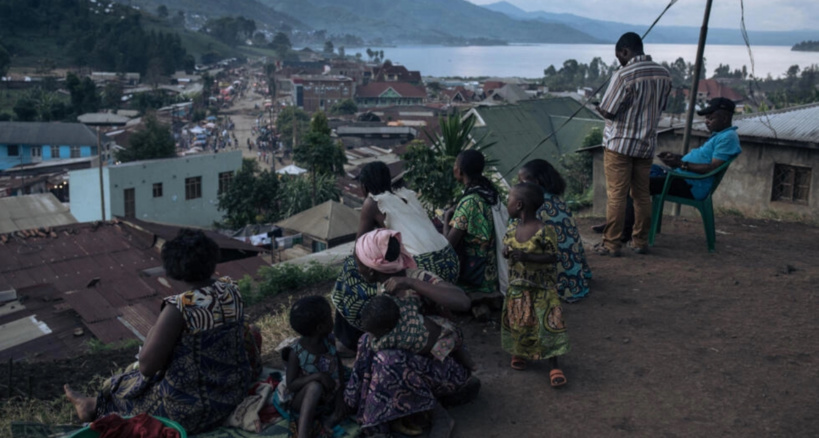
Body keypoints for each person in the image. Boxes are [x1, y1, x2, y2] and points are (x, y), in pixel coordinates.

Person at [64, 230, 258, 434]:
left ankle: (92, 407)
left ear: (173, 268)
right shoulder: (230, 288)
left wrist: (154, 330)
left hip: (191, 412)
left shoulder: (179, 307)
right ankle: (92, 403)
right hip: (233, 392)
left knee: (125, 389)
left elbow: (147, 366)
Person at [344, 229, 479, 437]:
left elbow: (462, 301)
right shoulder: (383, 290)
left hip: (446, 370)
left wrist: (412, 283)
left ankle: (439, 416)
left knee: (387, 359)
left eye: (359, 263)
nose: (358, 269)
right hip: (417, 370)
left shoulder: (419, 277)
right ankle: (358, 404)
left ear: (371, 269)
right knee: (367, 342)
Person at [331, 161, 459, 351]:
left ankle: (350, 337)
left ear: (364, 186)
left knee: (352, 269)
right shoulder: (407, 195)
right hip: (449, 260)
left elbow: (360, 246)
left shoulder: (372, 202)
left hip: (421, 264)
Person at [592, 97, 742, 244]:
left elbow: (712, 168)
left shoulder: (728, 137)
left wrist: (682, 164)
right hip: (682, 177)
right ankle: (617, 223)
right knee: (629, 175)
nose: (707, 121)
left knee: (634, 184)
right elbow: (702, 161)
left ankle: (623, 231)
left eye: (711, 118)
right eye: (706, 118)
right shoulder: (720, 135)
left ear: (725, 118)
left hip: (692, 185)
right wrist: (676, 160)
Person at [594, 32, 672, 256]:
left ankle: (611, 244)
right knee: (641, 195)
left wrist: (600, 108)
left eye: (619, 55)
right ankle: (640, 242)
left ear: (625, 51)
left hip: (619, 145)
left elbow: (609, 110)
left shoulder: (623, 75)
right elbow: (660, 106)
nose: (619, 60)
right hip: (646, 145)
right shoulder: (664, 74)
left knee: (617, 195)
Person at [502, 183, 569, 387]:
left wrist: (527, 256)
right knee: (519, 323)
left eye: (509, 200)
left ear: (519, 205)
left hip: (541, 290)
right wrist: (507, 251)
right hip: (517, 288)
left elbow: (552, 257)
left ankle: (554, 365)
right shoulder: (512, 228)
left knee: (547, 327)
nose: (507, 204)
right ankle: (519, 353)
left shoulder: (544, 230)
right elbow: (506, 247)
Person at [518, 159, 592, 302]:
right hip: (574, 278)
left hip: (553, 279)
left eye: (522, 182)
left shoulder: (533, 206)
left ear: (536, 182)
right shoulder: (558, 202)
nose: (520, 186)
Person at [280, 296, 346, 438]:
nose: (332, 319)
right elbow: (291, 385)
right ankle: (303, 434)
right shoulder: (296, 353)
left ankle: (329, 421)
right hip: (303, 399)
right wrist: (317, 376)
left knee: (356, 390)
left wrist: (340, 397)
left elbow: (339, 368)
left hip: (328, 398)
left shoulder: (330, 340)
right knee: (315, 386)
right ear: (320, 327)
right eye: (330, 317)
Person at [359, 294, 476, 370]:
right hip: (445, 325)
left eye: (373, 332)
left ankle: (458, 367)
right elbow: (413, 299)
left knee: (436, 359)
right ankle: (467, 361)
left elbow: (374, 346)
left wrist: (370, 338)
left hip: (445, 343)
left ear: (385, 331)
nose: (371, 334)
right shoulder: (404, 307)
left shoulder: (394, 338)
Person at [444, 150, 500, 299]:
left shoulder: (470, 201)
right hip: (492, 273)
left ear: (460, 171)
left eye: (455, 165)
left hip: (476, 277)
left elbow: (449, 245)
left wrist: (446, 217)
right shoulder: (488, 193)